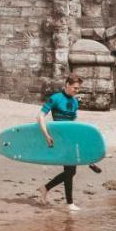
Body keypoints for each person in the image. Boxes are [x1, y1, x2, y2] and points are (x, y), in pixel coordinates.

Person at [38, 74, 84, 212]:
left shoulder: (75, 102)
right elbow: (40, 116)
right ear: (67, 85)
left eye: (78, 88)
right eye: (75, 88)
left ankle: (45, 188)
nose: (77, 90)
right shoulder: (56, 98)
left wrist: (79, 140)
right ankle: (69, 203)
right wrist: (46, 135)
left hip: (70, 139)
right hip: (59, 139)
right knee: (70, 170)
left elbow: (74, 123)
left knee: (71, 171)